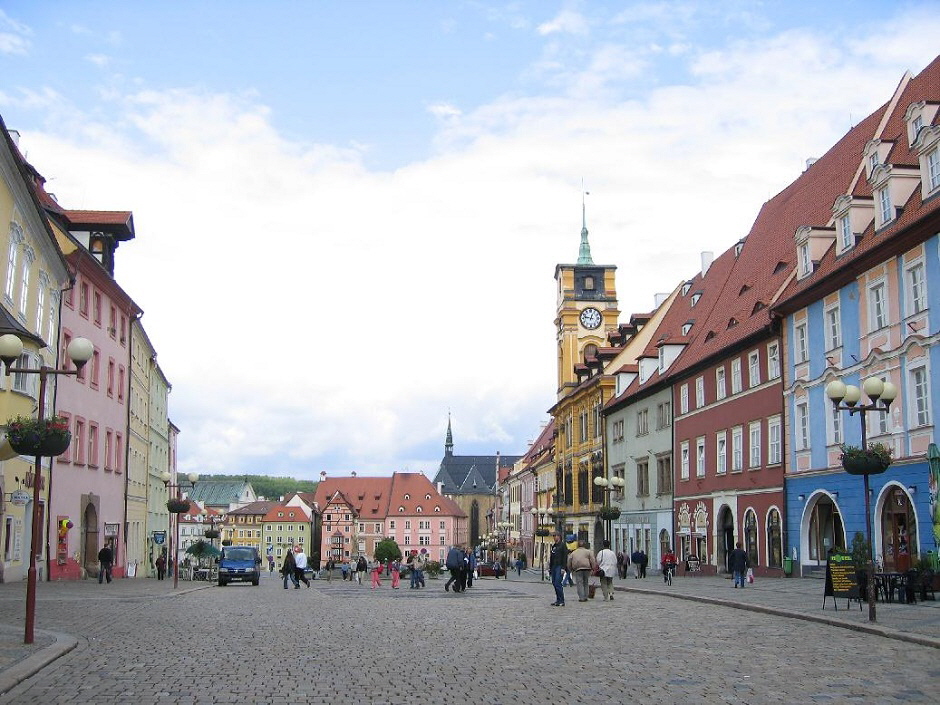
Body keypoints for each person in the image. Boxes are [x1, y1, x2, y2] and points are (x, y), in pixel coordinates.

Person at [548, 531, 568, 607]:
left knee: (557, 583)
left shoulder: (563, 546)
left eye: (555, 536)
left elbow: (564, 557)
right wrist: (550, 568)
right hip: (554, 566)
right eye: (553, 536)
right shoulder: (554, 546)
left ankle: (562, 600)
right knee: (554, 583)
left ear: (559, 536)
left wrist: (563, 568)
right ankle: (558, 600)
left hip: (559, 566)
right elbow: (552, 558)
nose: (554, 537)